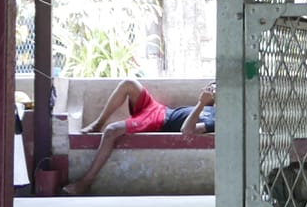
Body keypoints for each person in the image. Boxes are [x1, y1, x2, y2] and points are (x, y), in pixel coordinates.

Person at [66, 82, 213, 196]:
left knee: (111, 131)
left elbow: (187, 130)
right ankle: (97, 124)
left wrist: (201, 103)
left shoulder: (217, 119)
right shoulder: (212, 106)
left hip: (159, 122)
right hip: (159, 109)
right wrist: (208, 98)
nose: (213, 90)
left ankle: (85, 182)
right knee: (128, 83)